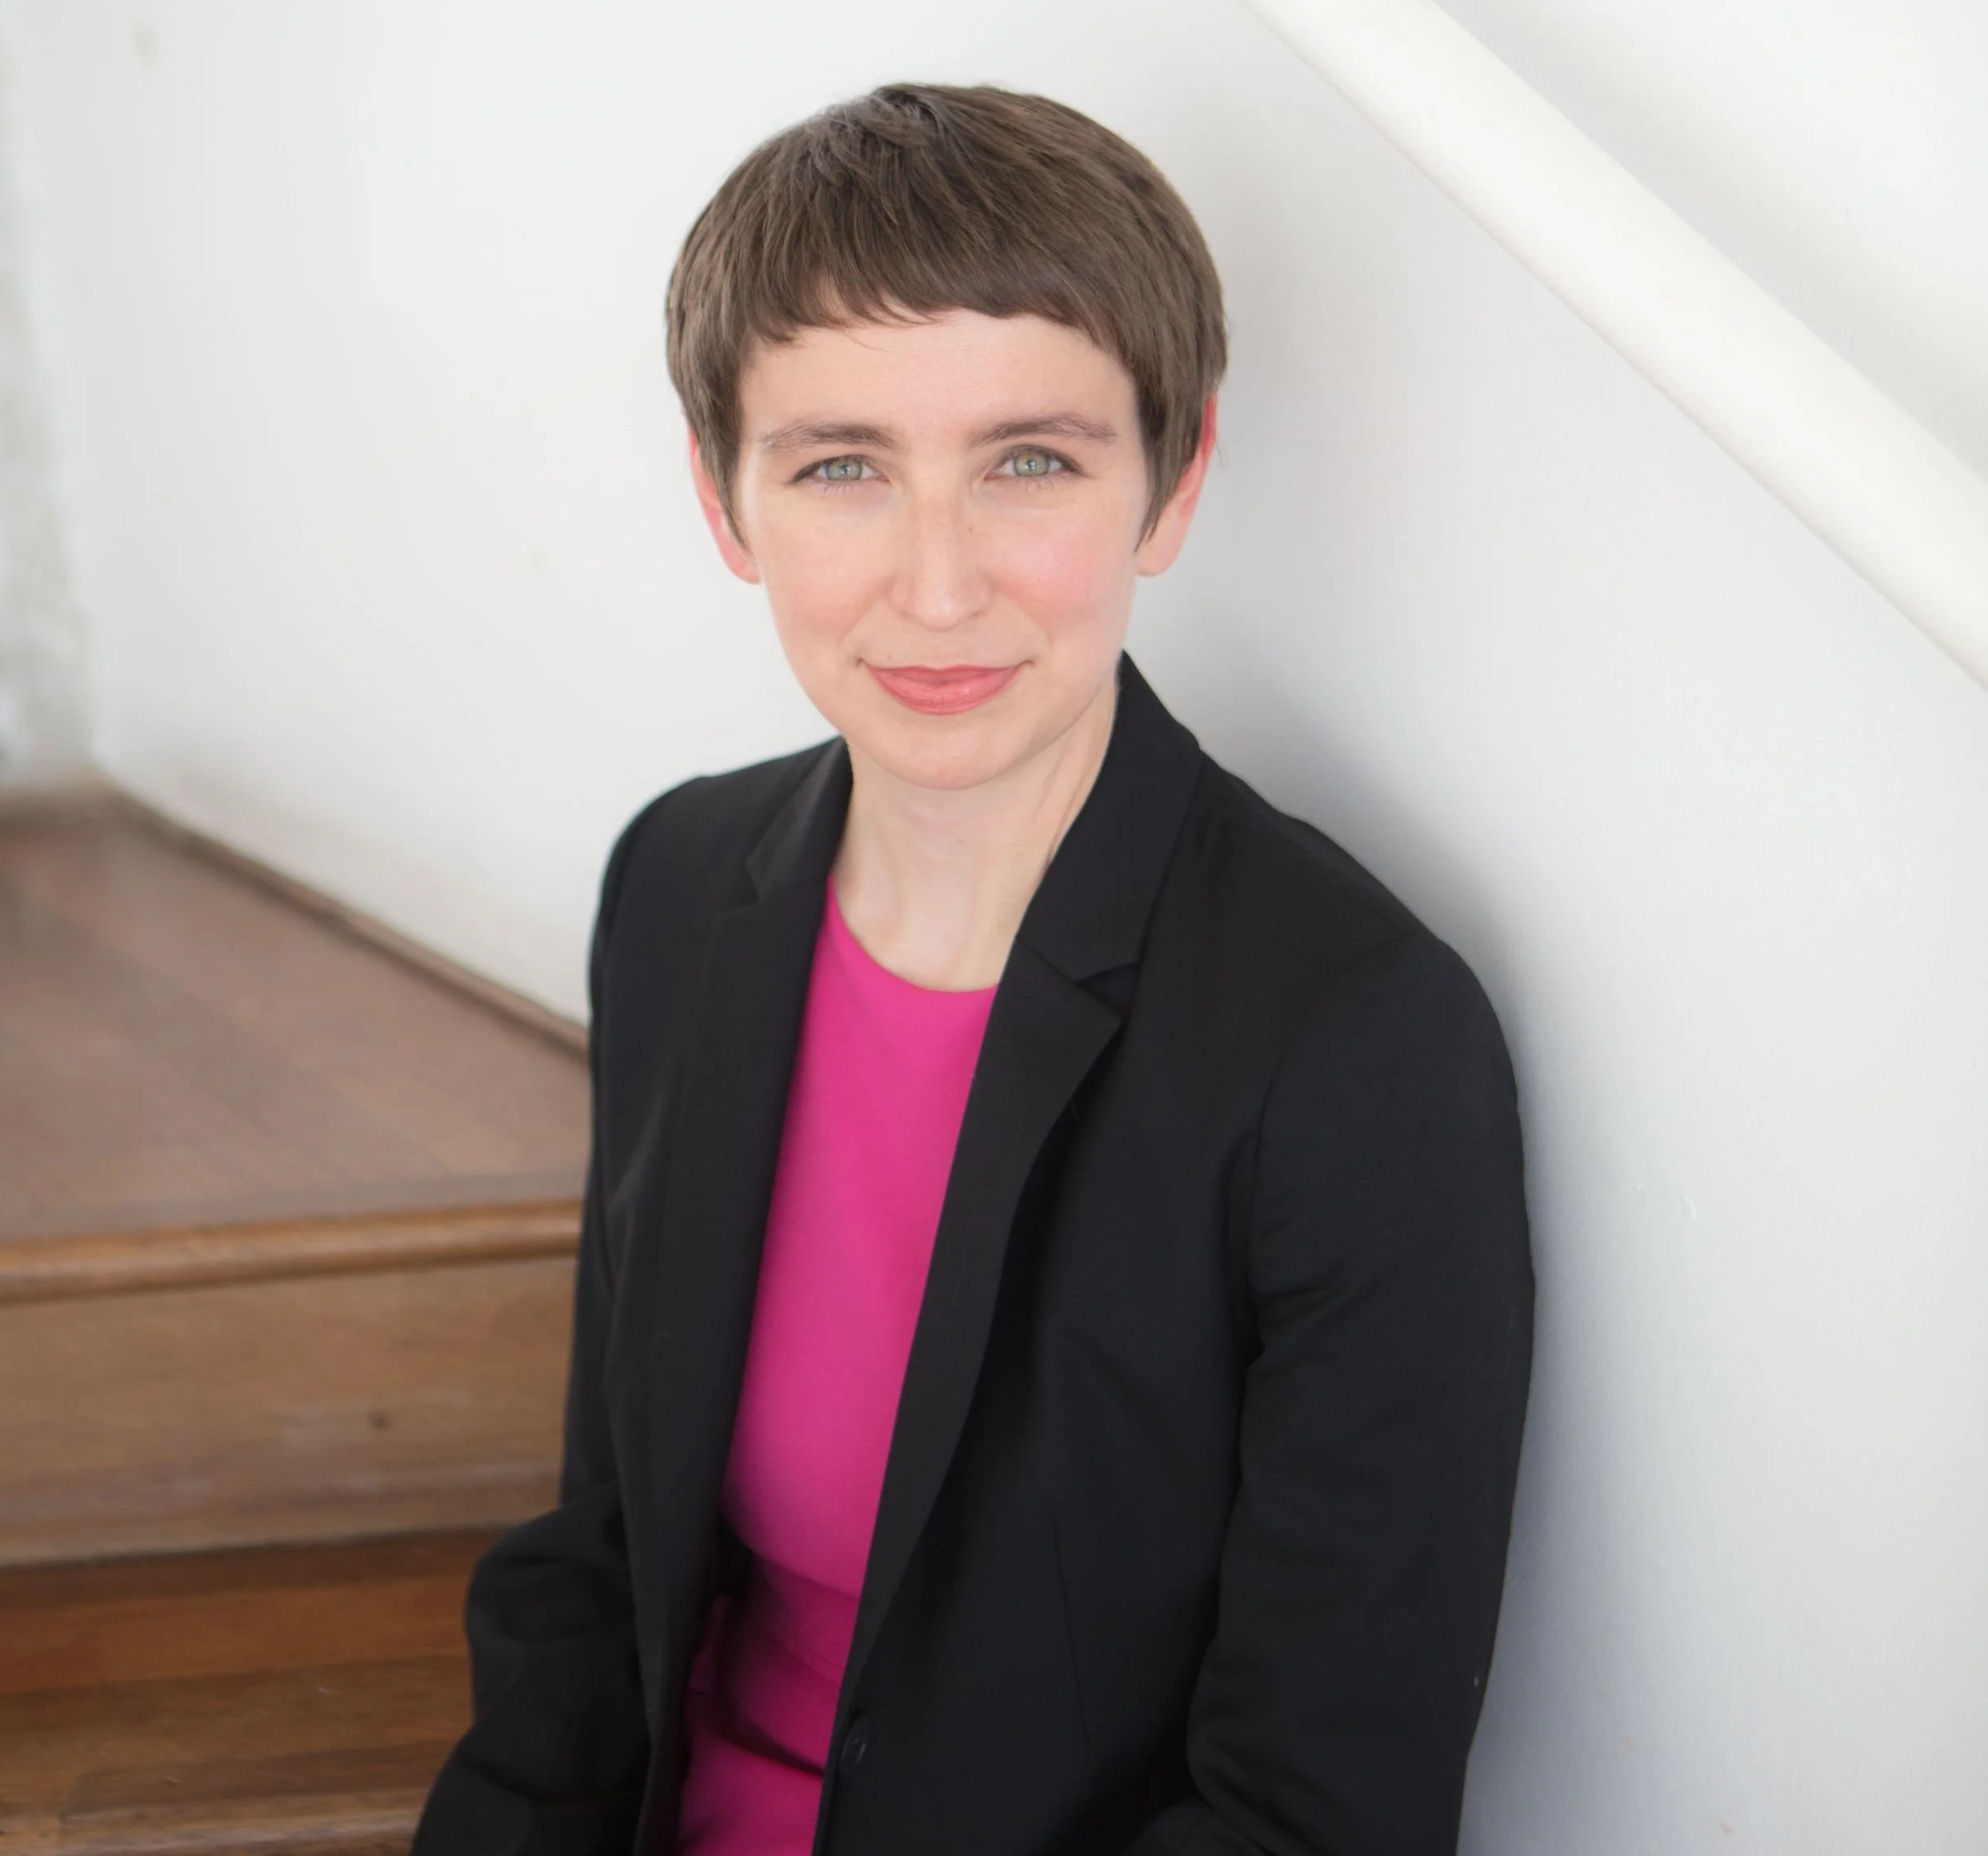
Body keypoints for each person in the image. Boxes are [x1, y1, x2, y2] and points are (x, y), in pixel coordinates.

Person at [414, 83, 1532, 1856]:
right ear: (723, 502)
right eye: (840, 466)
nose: (936, 590)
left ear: (1170, 483)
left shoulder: (1353, 1040)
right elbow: (602, 1558)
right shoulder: (678, 890)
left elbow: (1314, 1812)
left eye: (1029, 460)